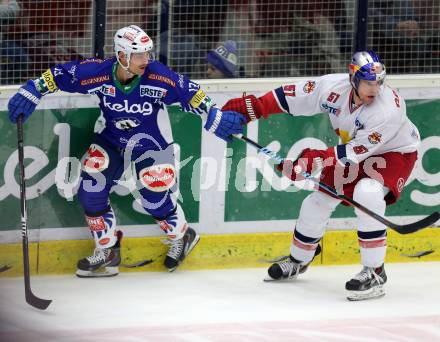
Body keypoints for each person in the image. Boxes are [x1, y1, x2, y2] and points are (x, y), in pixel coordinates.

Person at [8, 25, 245, 277]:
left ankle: (182, 235)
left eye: (148, 53)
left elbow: (191, 93)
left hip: (151, 143)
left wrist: (215, 116)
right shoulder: (98, 73)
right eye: (140, 55)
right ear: (122, 56)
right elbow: (60, 74)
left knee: (153, 196)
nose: (147, 60)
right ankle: (108, 250)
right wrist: (32, 90)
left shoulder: (157, 76)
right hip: (112, 139)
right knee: (91, 189)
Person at [222, 51, 420, 301]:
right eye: (369, 82)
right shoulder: (332, 87)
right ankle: (299, 260)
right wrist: (255, 107)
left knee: (367, 192)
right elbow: (291, 96)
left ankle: (375, 271)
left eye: (379, 82)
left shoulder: (388, 110)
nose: (375, 89)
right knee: (317, 202)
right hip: (353, 149)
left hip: (394, 153)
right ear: (352, 77)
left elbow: (352, 153)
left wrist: (310, 159)